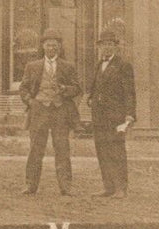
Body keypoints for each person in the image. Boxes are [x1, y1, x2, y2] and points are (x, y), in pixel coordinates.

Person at [18, 28, 80, 196]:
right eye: (48, 45)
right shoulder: (32, 66)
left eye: (55, 45)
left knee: (62, 149)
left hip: (60, 112)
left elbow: (77, 88)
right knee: (36, 150)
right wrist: (31, 102)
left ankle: (65, 187)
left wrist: (64, 89)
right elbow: (23, 88)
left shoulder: (68, 67)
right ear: (43, 46)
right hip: (39, 112)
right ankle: (31, 185)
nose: (51, 48)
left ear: (59, 47)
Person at [87, 28, 136, 197]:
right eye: (103, 45)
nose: (106, 48)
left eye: (110, 45)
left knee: (116, 151)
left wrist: (129, 114)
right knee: (102, 150)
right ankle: (108, 187)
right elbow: (95, 87)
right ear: (99, 47)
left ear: (115, 47)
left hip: (116, 117)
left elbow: (129, 92)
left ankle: (121, 188)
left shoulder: (123, 66)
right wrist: (91, 98)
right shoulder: (98, 65)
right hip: (99, 116)